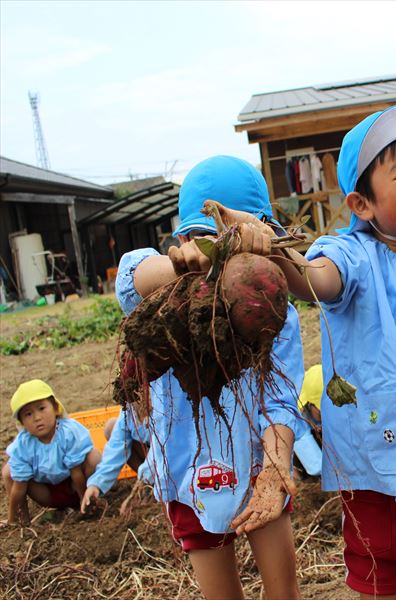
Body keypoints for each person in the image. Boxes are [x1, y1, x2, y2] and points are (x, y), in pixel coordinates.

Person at [214, 104, 396, 599]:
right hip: (374, 486)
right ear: (362, 204)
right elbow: (317, 280)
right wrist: (266, 243)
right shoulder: (352, 255)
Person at [115, 155, 306, 600]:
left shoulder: (272, 312)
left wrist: (275, 470)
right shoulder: (162, 296)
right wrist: (185, 265)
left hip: (257, 467)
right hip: (188, 474)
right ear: (183, 239)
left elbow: (280, 400)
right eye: (208, 239)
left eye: (244, 244)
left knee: (284, 591)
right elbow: (129, 277)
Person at [3, 379, 101, 525]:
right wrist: (12, 519)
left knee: (94, 456)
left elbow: (76, 472)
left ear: (55, 408)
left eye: (42, 408)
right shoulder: (23, 444)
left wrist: (83, 502)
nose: (37, 418)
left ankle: (89, 501)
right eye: (28, 414)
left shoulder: (68, 432)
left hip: (77, 487)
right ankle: (22, 520)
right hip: (47, 494)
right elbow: (19, 487)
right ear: (22, 422)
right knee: (9, 471)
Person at [80, 408, 151, 514]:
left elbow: (164, 451)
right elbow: (116, 447)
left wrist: (145, 479)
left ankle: (154, 484)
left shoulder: (164, 406)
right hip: (150, 458)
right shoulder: (130, 409)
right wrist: (96, 484)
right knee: (112, 427)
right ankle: (151, 484)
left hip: (171, 460)